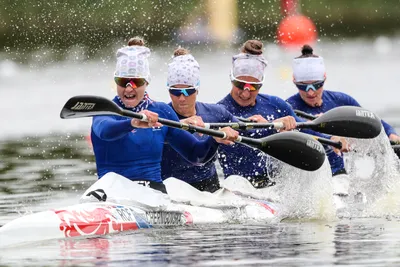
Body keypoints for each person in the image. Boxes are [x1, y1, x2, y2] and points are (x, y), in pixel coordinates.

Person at [90, 37, 238, 194]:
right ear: (115, 82)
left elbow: (196, 156)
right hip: (110, 193)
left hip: (152, 195)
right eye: (122, 81)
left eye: (136, 82)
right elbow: (105, 131)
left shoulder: (161, 112)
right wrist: (132, 122)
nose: (128, 89)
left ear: (147, 82)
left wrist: (214, 140)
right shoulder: (104, 110)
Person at [217, 40, 347, 183]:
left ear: (261, 84)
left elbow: (306, 131)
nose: (246, 93)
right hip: (238, 188)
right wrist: (271, 127)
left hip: (276, 187)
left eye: (253, 87)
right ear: (231, 79)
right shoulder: (219, 112)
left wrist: (331, 139)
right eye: (240, 85)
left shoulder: (277, 105)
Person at [286, 44, 400, 173]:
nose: (311, 92)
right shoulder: (288, 108)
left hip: (344, 175)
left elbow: (370, 121)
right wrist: (330, 138)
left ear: (324, 79)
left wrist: (391, 133)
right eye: (303, 86)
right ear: (294, 82)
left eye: (317, 85)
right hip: (314, 176)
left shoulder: (341, 100)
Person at [161, 47, 240, 193]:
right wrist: (179, 125)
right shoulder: (160, 116)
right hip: (171, 190)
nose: (182, 98)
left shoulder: (217, 113)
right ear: (168, 90)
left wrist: (274, 124)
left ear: (197, 89)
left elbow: (245, 129)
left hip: (209, 190)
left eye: (188, 91)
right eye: (175, 92)